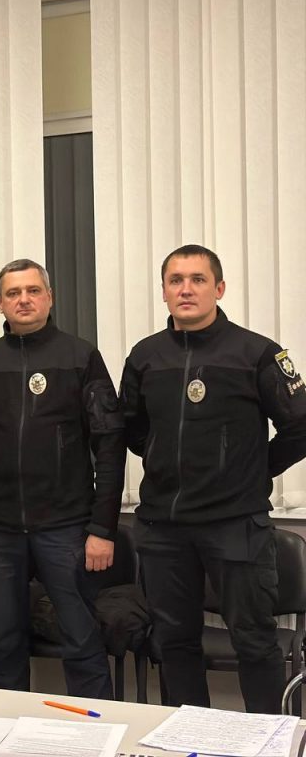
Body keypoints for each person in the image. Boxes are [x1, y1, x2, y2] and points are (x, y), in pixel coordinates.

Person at [120, 244, 306, 713]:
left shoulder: (257, 352)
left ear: (219, 289)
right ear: (164, 291)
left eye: (198, 279)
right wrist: (163, 459)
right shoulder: (145, 356)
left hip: (235, 523)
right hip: (164, 527)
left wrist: (254, 470)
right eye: (176, 280)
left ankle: (269, 737)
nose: (186, 289)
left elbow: (300, 425)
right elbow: (134, 429)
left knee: (254, 640)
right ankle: (191, 736)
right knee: (174, 641)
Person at [0, 258, 125, 699]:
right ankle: (7, 726)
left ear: (49, 298)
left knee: (81, 637)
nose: (23, 299)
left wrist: (102, 528)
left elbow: (109, 443)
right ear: (0, 303)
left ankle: (96, 725)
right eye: (13, 293)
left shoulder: (80, 357)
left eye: (32, 291)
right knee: (2, 639)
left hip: (66, 527)